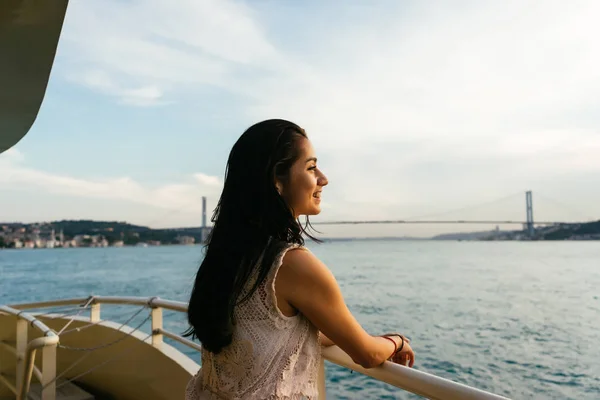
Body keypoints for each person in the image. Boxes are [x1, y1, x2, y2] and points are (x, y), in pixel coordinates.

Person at [183, 119, 415, 399]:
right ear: (276, 181)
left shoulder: (231, 257)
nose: (323, 178)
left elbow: (276, 331)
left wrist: (348, 335)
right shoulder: (292, 264)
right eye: (311, 167)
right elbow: (366, 354)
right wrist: (397, 341)